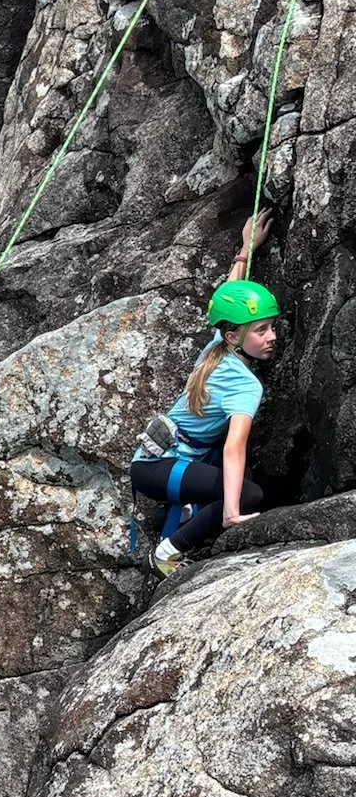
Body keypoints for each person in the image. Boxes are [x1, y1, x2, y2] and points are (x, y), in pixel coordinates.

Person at [131, 213, 279, 578]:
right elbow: (234, 448)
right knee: (250, 495)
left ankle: (181, 512)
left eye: (272, 327)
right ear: (235, 337)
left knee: (230, 471)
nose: (272, 336)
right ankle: (166, 553)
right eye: (261, 330)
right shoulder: (246, 385)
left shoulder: (217, 348)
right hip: (161, 469)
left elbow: (225, 303)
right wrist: (231, 511)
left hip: (152, 463)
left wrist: (246, 249)